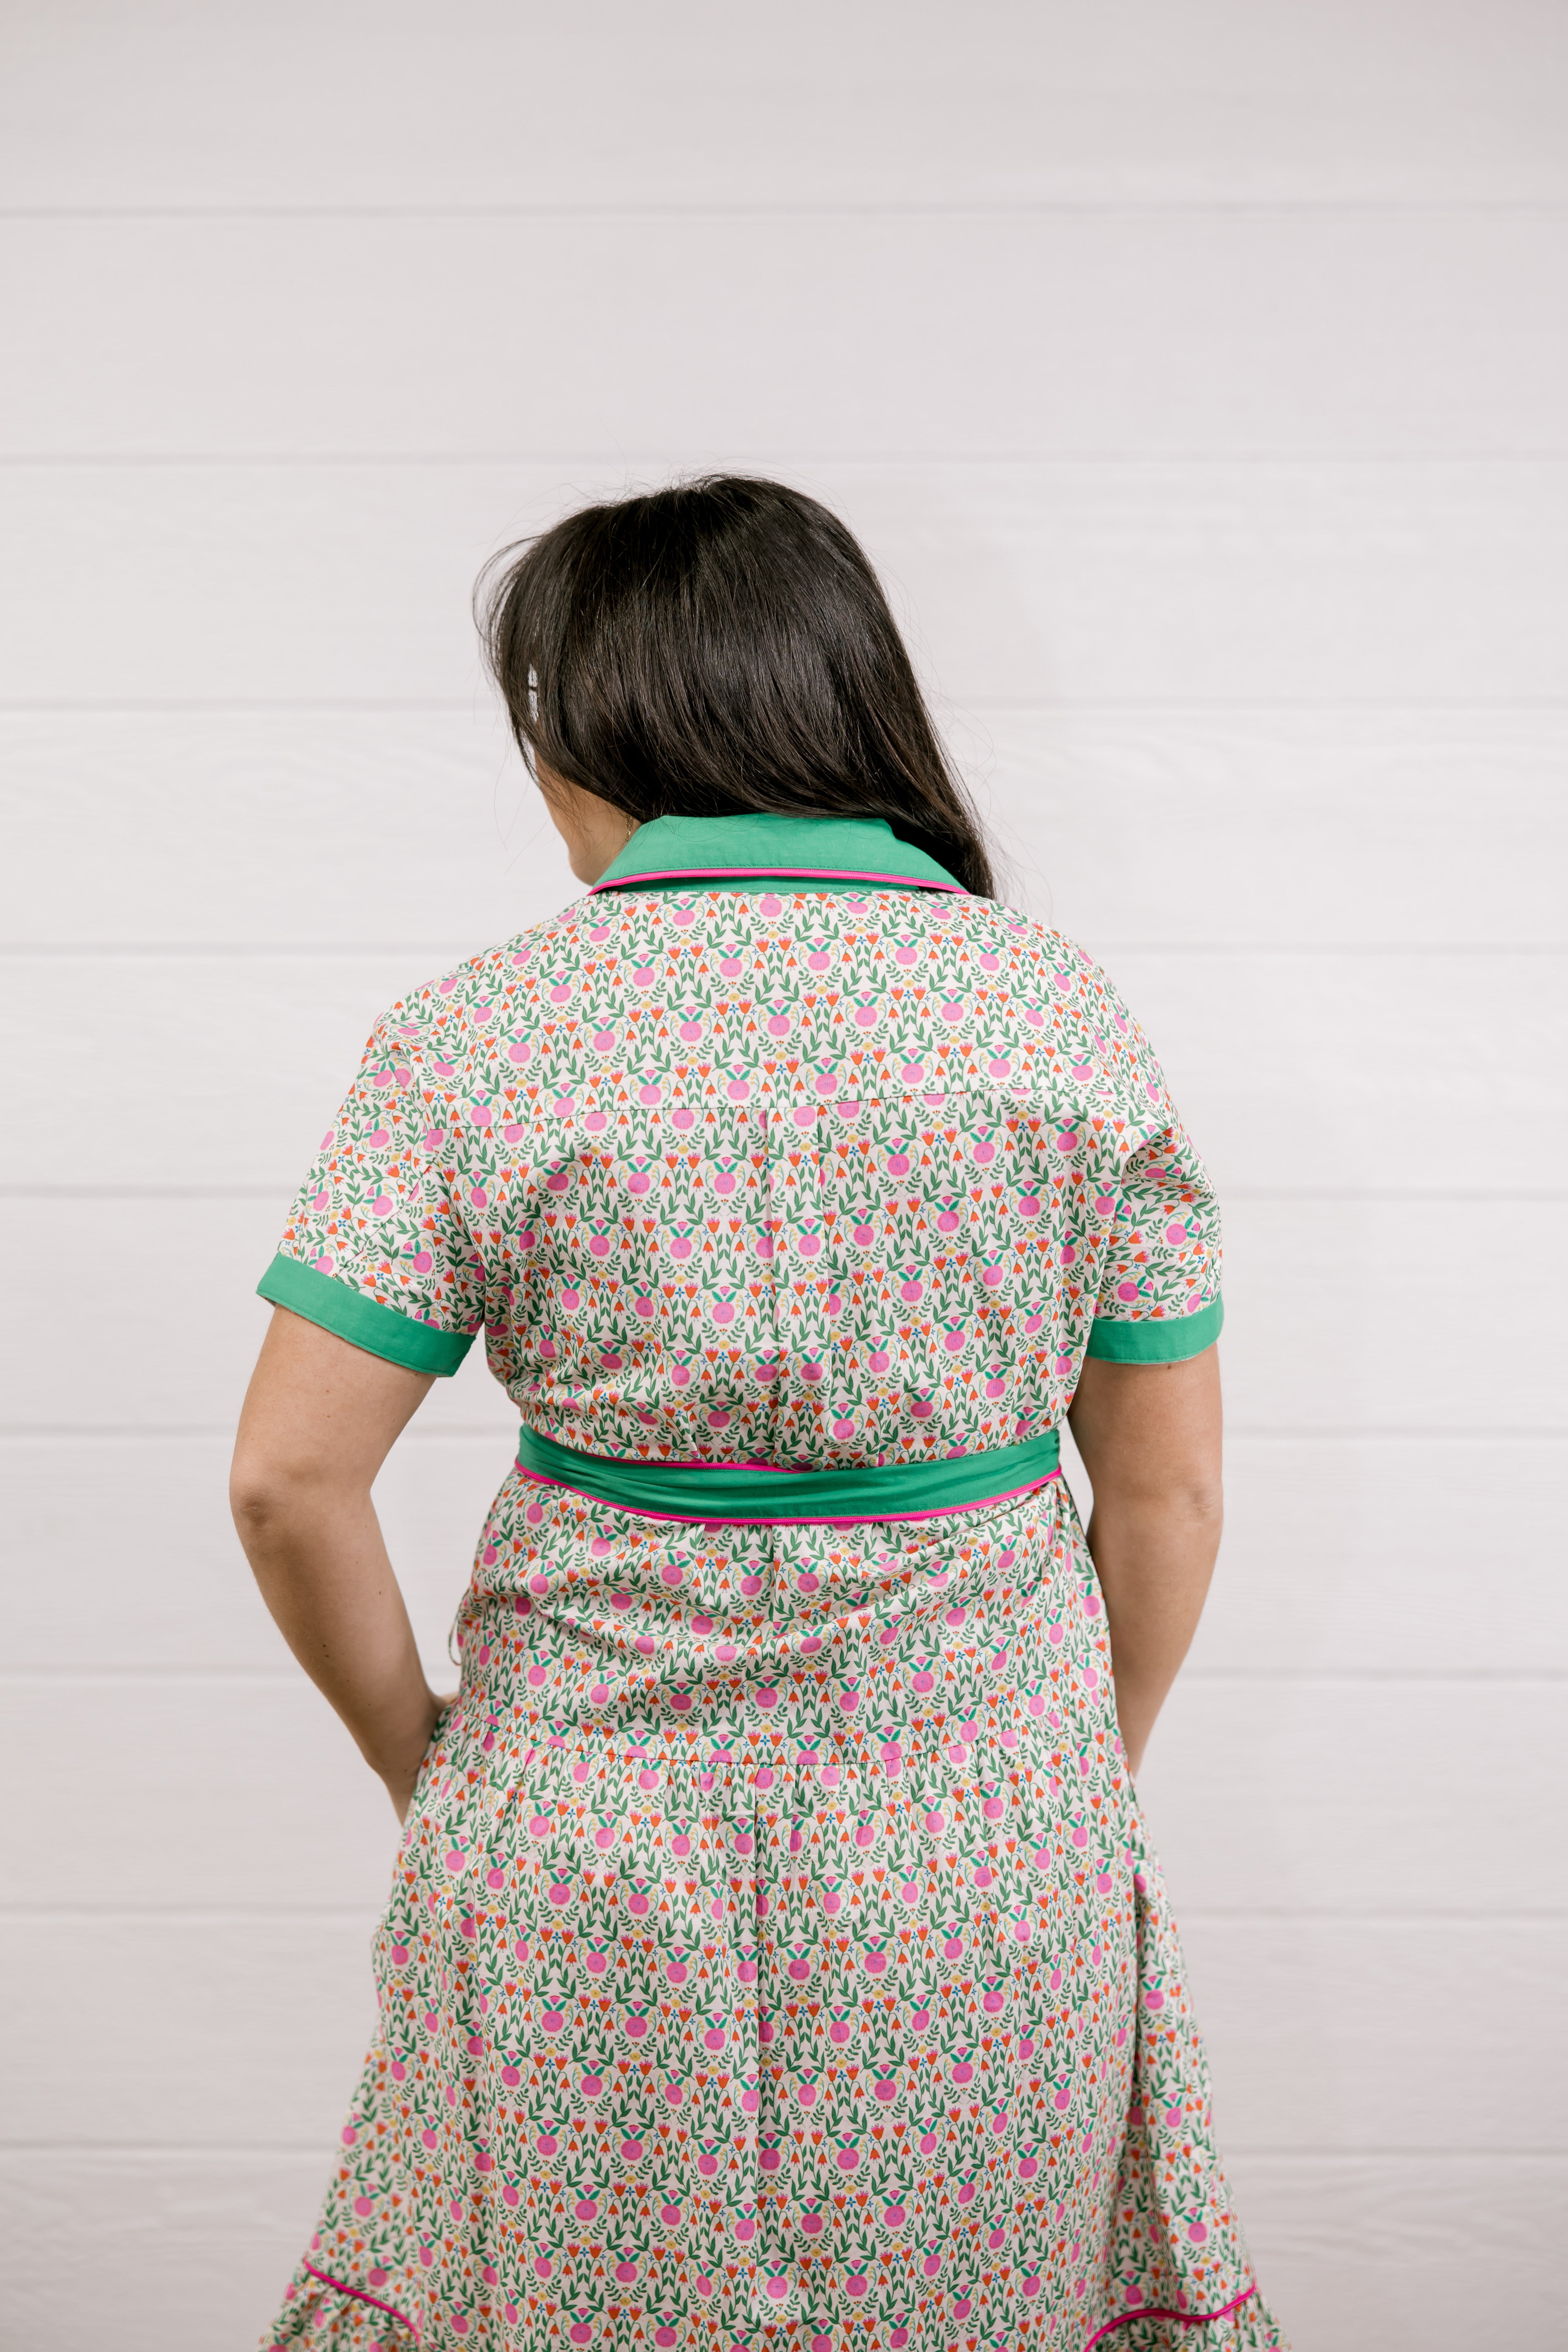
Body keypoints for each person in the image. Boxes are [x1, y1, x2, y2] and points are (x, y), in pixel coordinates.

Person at [232, 476, 1285, 2352]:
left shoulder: (480, 1034)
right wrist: (1063, 1760)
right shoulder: (1056, 1016)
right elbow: (1171, 1493)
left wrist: (433, 1765)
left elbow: (288, 1479)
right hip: (990, 1844)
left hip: (583, 1839)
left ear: (602, 721)